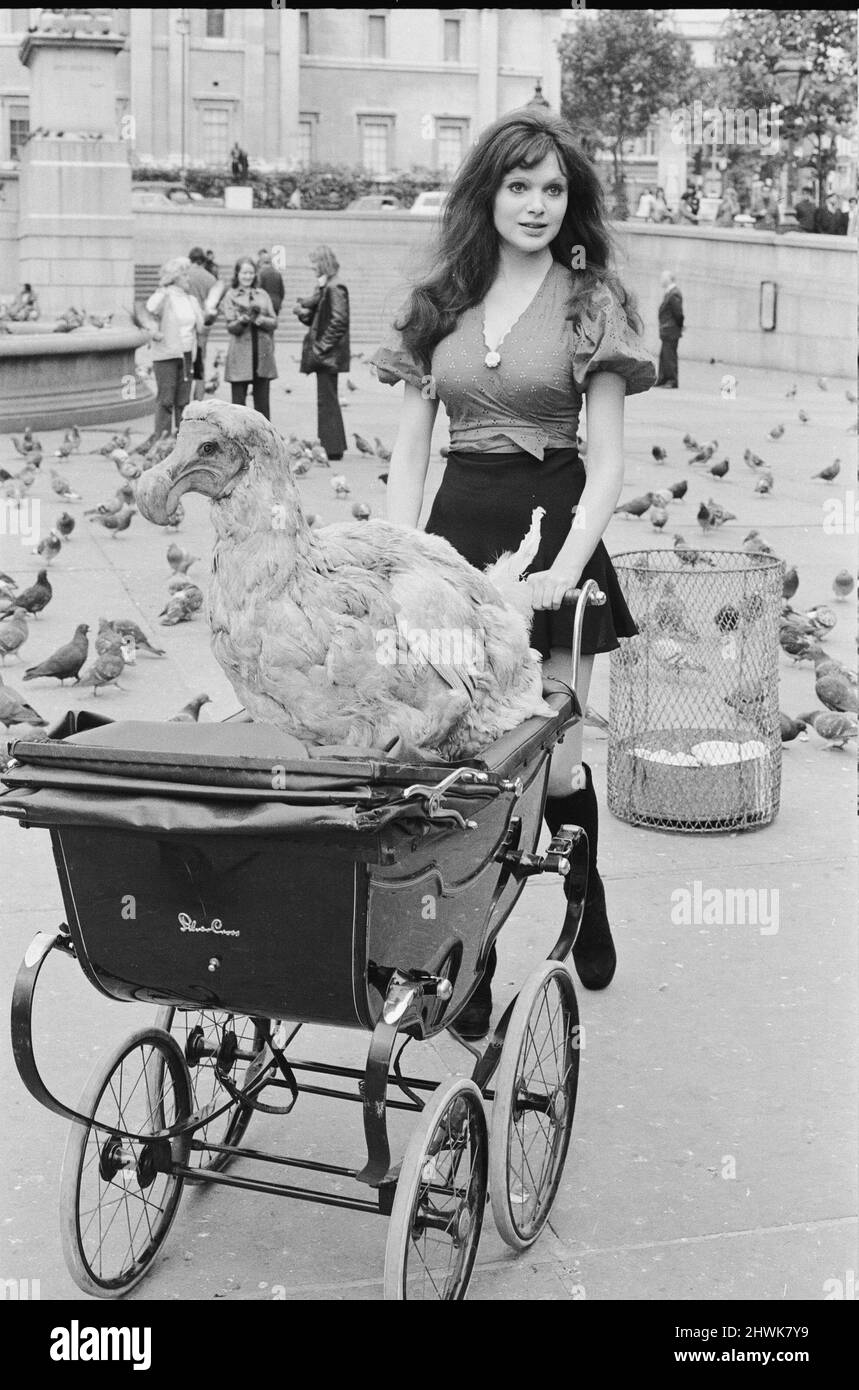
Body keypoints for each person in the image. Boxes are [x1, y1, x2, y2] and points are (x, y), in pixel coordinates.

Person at [370, 106, 655, 1037]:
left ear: (569, 202)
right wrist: (394, 558)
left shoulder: (590, 301)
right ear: (485, 193)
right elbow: (410, 455)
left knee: (559, 768)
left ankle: (586, 891)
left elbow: (606, 463)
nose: (536, 204)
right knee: (465, 760)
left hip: (556, 541)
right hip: (456, 549)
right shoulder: (438, 302)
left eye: (553, 188)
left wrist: (565, 571)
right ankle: (475, 955)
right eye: (518, 185)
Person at [293, 245, 350, 461]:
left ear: (322, 263)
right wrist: (304, 313)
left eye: (314, 264)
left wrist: (320, 348)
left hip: (328, 355)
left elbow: (338, 321)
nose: (311, 268)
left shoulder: (335, 287)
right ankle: (332, 444)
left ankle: (333, 447)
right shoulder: (329, 285)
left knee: (327, 400)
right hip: (328, 354)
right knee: (327, 399)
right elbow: (322, 317)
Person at [145, 256, 204, 436]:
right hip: (166, 355)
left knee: (183, 401)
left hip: (187, 355)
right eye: (185, 275)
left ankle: (182, 442)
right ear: (175, 277)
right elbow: (148, 315)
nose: (188, 279)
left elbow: (200, 326)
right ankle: (161, 442)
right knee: (166, 400)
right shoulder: (162, 296)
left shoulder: (190, 299)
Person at [221, 256, 278, 420]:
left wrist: (263, 321)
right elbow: (231, 327)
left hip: (262, 355)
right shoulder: (231, 296)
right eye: (244, 273)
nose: (248, 276)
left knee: (263, 406)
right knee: (238, 407)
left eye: (251, 273)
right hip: (240, 355)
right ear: (237, 274)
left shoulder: (263, 294)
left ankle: (265, 441)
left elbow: (274, 322)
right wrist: (242, 320)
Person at [187, 246, 217, 401]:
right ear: (204, 261)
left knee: (184, 360)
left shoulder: (184, 275)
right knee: (200, 360)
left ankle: (183, 396)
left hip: (183, 324)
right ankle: (198, 397)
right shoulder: (210, 278)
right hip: (202, 325)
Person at [656, 269, 683, 389]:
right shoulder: (670, 293)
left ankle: (671, 380)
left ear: (668, 279)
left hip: (671, 330)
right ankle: (663, 379)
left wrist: (679, 327)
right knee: (664, 356)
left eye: (662, 278)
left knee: (669, 356)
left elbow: (678, 314)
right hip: (668, 330)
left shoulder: (674, 293)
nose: (661, 280)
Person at [256, 249, 285, 316]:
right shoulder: (277, 273)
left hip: (264, 304)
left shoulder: (260, 273)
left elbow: (258, 289)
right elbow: (282, 292)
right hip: (276, 303)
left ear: (261, 262)